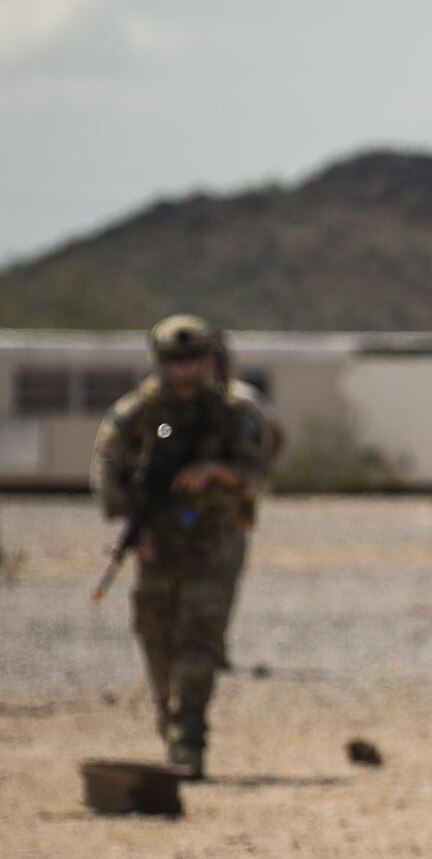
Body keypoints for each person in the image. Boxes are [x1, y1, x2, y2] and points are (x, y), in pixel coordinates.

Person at [89, 315, 266, 778]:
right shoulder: (138, 414)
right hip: (157, 544)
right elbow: (107, 467)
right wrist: (133, 522)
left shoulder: (231, 412)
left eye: (192, 360)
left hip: (213, 542)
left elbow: (256, 474)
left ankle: (188, 739)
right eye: (174, 361)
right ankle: (169, 721)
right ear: (159, 361)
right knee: (156, 637)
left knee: (199, 641)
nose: (184, 371)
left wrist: (214, 470)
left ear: (207, 359)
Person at [208, 330, 284, 673]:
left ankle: (212, 649)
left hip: (229, 510)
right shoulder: (169, 403)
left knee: (222, 583)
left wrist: (254, 474)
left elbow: (274, 435)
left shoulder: (243, 400)